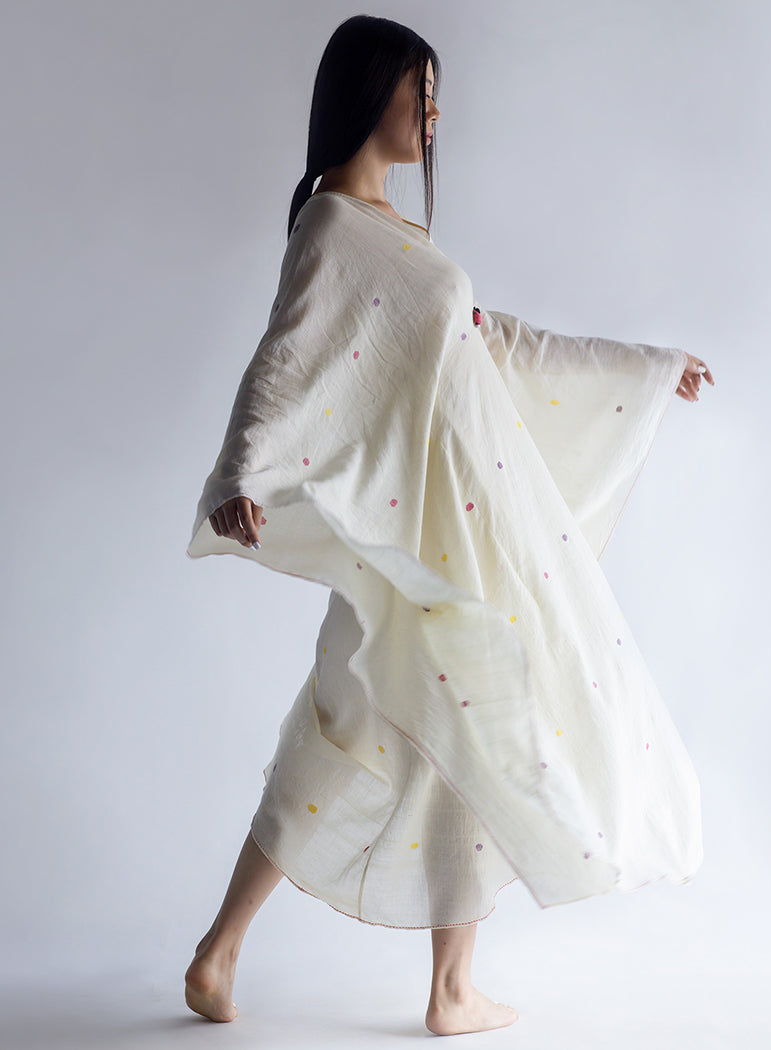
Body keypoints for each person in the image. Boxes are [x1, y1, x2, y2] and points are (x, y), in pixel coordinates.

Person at [183, 14, 714, 1038]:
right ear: (368, 93)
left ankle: (239, 957)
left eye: (437, 97)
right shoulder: (333, 228)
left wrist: (642, 368)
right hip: (415, 545)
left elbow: (486, 343)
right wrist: (242, 470)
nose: (435, 114)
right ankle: (432, 989)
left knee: (384, 727)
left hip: (460, 533)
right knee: (425, 722)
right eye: (420, 93)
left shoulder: (396, 232)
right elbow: (284, 355)